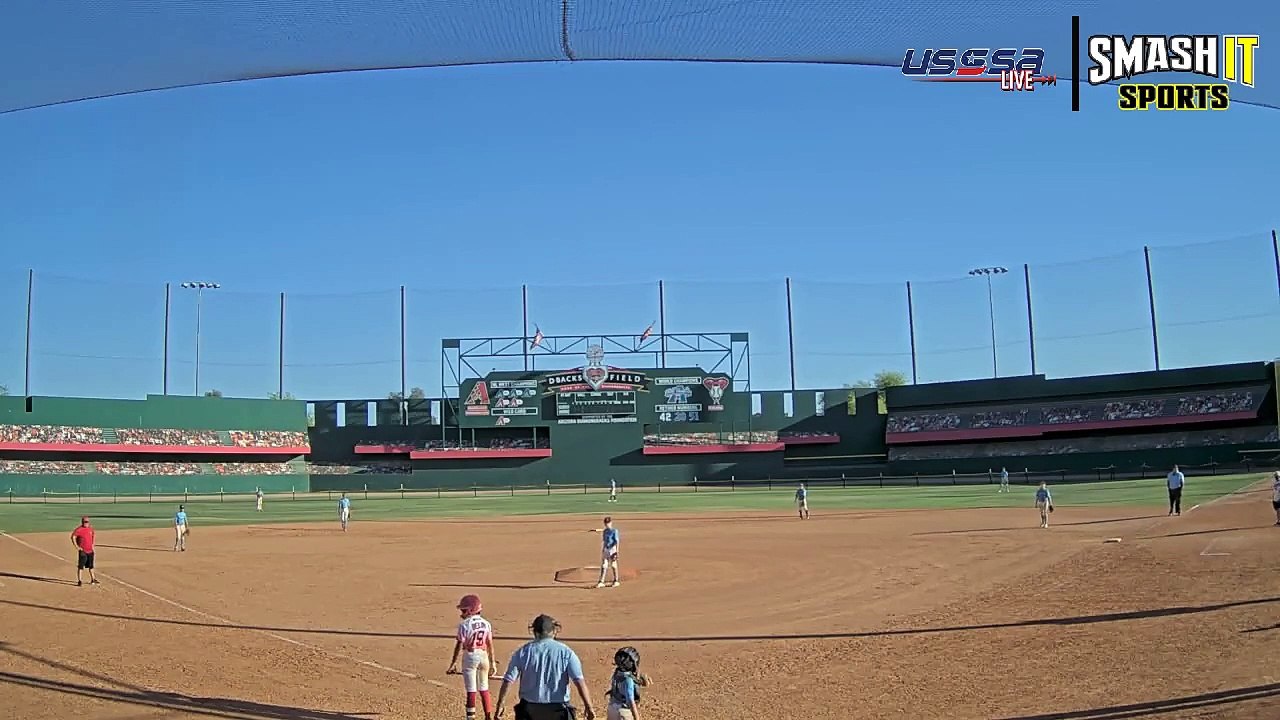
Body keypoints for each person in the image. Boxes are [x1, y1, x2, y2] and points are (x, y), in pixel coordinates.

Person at [494, 614, 596, 720]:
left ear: (534, 631)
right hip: (558, 709)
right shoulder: (566, 653)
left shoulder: (523, 652)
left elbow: (508, 680)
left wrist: (500, 705)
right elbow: (579, 681)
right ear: (554, 631)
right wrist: (589, 707)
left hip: (529, 710)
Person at [448, 594, 499, 720]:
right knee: (484, 688)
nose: (462, 612)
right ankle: (488, 717)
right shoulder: (487, 624)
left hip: (470, 656)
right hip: (483, 656)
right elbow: (489, 644)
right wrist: (492, 663)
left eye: (464, 610)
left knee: (471, 690)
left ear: (471, 610)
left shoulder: (465, 625)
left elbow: (459, 645)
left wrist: (453, 663)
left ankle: (471, 718)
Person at [604, 647, 651, 720]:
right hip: (623, 712)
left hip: (611, 709)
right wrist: (636, 718)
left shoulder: (616, 674)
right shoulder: (628, 680)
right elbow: (630, 701)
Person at [70, 516, 99, 586]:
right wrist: (77, 547)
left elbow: (92, 538)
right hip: (83, 551)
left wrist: (92, 545)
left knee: (91, 566)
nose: (86, 523)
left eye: (87, 522)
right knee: (81, 567)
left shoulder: (90, 529)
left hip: (90, 551)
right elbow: (73, 537)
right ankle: (79, 581)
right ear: (82, 522)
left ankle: (93, 579)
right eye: (84, 522)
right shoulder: (79, 530)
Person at [596, 517, 620, 589]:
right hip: (606, 549)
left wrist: (617, 551)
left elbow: (617, 541)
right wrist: (603, 549)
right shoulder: (605, 531)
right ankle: (601, 581)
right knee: (604, 565)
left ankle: (616, 580)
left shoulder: (614, 531)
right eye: (606, 524)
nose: (607, 525)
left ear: (611, 523)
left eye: (608, 523)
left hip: (612, 549)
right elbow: (604, 541)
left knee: (613, 565)